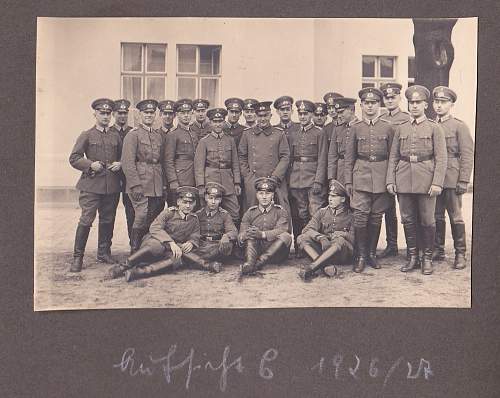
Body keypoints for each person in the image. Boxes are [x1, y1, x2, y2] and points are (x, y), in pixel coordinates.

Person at [387, 85, 447, 275]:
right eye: (411, 102)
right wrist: (391, 180)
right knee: (407, 219)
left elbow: (441, 158)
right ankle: (413, 256)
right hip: (403, 177)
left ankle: (426, 258)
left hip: (426, 179)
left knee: (428, 220)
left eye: (418, 102)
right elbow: (394, 156)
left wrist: (437, 182)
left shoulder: (434, 128)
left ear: (425, 104)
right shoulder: (401, 128)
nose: (414, 106)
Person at [108, 186, 221, 281]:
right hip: (155, 243)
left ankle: (137, 273)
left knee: (177, 260)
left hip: (172, 249)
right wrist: (171, 243)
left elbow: (195, 234)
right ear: (178, 202)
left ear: (194, 204)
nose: (187, 206)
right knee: (156, 246)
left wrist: (192, 242)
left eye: (190, 203)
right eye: (184, 202)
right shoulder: (169, 213)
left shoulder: (194, 218)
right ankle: (122, 267)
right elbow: (155, 228)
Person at [344, 88, 395, 273]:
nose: (370, 106)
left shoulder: (388, 127)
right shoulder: (355, 128)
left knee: (376, 216)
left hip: (381, 177)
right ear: (362, 105)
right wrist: (348, 182)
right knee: (360, 216)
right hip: (361, 177)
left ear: (379, 105)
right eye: (367, 103)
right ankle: (361, 255)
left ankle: (372, 254)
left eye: (374, 103)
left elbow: (392, 156)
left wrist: (390, 180)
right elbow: (349, 158)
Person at [68, 98, 122, 272]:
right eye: (102, 113)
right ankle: (78, 258)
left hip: (111, 186)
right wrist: (90, 164)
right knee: (86, 219)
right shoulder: (87, 135)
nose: (105, 116)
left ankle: (104, 252)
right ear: (95, 114)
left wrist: (119, 163)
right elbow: (74, 158)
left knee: (108, 219)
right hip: (91, 186)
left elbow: (122, 157)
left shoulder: (116, 136)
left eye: (108, 113)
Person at [432, 86, 474, 269]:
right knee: (436, 216)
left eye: (443, 102)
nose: (439, 106)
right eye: (436, 102)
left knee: (456, 217)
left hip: (452, 178)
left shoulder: (459, 126)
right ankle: (438, 250)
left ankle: (460, 254)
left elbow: (467, 154)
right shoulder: (431, 125)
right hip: (434, 179)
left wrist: (464, 179)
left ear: (451, 104)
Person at [121, 99, 166, 253]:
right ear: (139, 114)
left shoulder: (158, 135)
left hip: (156, 183)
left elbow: (161, 162)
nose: (149, 115)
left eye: (151, 113)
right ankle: (135, 250)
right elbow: (127, 162)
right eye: (146, 112)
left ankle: (147, 250)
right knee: (140, 217)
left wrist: (163, 185)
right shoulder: (132, 135)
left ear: (155, 115)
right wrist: (135, 185)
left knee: (153, 218)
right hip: (140, 183)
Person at [287, 100, 328, 257]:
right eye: (300, 114)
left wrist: (318, 180)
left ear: (311, 115)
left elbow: (322, 158)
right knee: (301, 214)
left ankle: (317, 247)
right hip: (297, 178)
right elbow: (290, 158)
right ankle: (302, 247)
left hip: (312, 179)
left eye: (306, 114)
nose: (303, 116)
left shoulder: (319, 133)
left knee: (314, 213)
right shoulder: (293, 134)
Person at [238, 101, 291, 217]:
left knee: (281, 210)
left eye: (265, 115)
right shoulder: (247, 134)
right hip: (253, 180)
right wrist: (247, 177)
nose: (262, 119)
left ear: (271, 116)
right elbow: (241, 156)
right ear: (256, 116)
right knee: (252, 211)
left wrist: (276, 177)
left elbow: (285, 156)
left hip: (275, 180)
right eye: (260, 116)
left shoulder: (279, 134)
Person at [378, 82, 411, 258]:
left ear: (399, 98)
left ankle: (413, 247)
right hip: (385, 168)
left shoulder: (406, 118)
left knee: (407, 209)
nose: (389, 100)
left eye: (393, 97)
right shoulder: (381, 118)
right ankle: (392, 245)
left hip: (403, 167)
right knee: (388, 208)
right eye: (386, 98)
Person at [297, 179, 354, 281]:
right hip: (324, 250)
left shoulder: (351, 215)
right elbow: (307, 230)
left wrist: (343, 234)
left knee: (339, 240)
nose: (330, 199)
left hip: (341, 254)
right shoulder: (322, 212)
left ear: (343, 199)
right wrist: (320, 237)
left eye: (334, 196)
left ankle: (311, 268)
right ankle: (325, 266)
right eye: (329, 196)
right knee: (301, 238)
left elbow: (356, 240)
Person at [194, 107, 242, 226]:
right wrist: (200, 185)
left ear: (224, 122)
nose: (218, 124)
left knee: (234, 212)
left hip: (228, 181)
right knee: (209, 211)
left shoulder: (230, 140)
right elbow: (199, 166)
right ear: (210, 123)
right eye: (215, 121)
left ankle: (232, 239)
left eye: (220, 121)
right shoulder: (204, 141)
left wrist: (237, 182)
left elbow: (235, 163)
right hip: (211, 179)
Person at [238, 177, 292, 276]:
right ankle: (250, 263)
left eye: (267, 193)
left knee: (286, 236)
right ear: (257, 195)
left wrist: (262, 234)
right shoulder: (250, 212)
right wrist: (247, 234)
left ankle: (258, 264)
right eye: (261, 193)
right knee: (250, 235)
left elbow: (282, 230)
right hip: (255, 251)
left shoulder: (280, 211)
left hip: (276, 253)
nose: (264, 197)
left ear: (272, 195)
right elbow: (241, 235)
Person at [109, 99, 134, 248]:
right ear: (113, 114)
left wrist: (123, 164)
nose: (122, 116)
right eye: (119, 113)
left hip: (128, 179)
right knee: (109, 215)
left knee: (131, 213)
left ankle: (134, 246)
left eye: (125, 113)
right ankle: (105, 249)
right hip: (111, 178)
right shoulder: (109, 131)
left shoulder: (133, 131)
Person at [164, 99, 199, 201]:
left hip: (193, 176)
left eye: (188, 113)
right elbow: (168, 160)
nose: (186, 115)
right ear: (177, 115)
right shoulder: (173, 134)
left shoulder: (194, 133)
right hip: (180, 177)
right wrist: (173, 180)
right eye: (182, 113)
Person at [194, 182, 238, 263]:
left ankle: (197, 259)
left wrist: (226, 236)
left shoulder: (224, 214)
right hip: (202, 244)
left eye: (216, 199)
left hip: (216, 244)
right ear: (206, 197)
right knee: (191, 248)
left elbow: (233, 231)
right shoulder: (198, 214)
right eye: (211, 198)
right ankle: (207, 261)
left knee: (226, 247)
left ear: (220, 200)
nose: (213, 202)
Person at [327, 97, 358, 186]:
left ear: (351, 110)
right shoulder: (338, 129)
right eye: (338, 112)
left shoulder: (361, 127)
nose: (339, 115)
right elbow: (332, 155)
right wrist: (332, 177)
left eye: (341, 112)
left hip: (357, 170)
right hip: (340, 171)